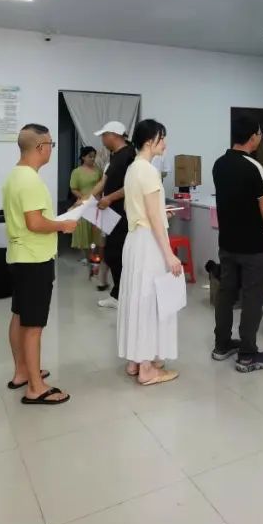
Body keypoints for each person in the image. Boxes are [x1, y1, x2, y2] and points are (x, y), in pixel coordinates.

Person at [2, 123, 76, 405]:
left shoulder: (14, 175)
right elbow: (35, 223)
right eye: (51, 145)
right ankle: (36, 387)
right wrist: (62, 225)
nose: (51, 149)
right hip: (34, 259)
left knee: (20, 315)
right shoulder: (30, 180)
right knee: (33, 325)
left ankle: (22, 371)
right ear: (40, 147)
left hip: (20, 256)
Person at [118, 119, 182, 386]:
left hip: (135, 239)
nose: (164, 143)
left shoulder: (133, 168)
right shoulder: (148, 171)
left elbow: (139, 208)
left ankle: (136, 360)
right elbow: (154, 218)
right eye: (161, 138)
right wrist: (169, 254)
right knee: (150, 301)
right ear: (149, 142)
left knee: (137, 298)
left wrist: (160, 212)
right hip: (149, 243)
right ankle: (147, 369)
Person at [212, 116, 263, 373]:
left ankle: (221, 345)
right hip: (252, 244)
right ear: (252, 137)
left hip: (227, 242)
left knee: (226, 294)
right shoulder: (253, 166)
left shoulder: (219, 164)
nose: (261, 137)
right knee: (252, 297)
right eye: (260, 133)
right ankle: (248, 354)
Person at [92, 121, 136, 308]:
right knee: (111, 254)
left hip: (124, 214)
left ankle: (122, 296)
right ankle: (119, 294)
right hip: (111, 214)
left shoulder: (130, 155)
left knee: (117, 255)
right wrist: (86, 200)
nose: (102, 139)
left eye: (104, 135)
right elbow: (104, 181)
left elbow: (133, 185)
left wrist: (109, 198)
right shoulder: (114, 156)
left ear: (115, 135)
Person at [69, 145, 103, 258]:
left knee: (96, 231)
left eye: (94, 156)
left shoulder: (98, 170)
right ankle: (87, 256)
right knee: (84, 232)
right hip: (83, 204)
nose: (92, 159)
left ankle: (95, 256)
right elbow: (73, 188)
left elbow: (101, 185)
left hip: (97, 203)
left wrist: (98, 198)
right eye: (90, 156)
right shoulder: (76, 172)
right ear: (83, 157)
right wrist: (84, 198)